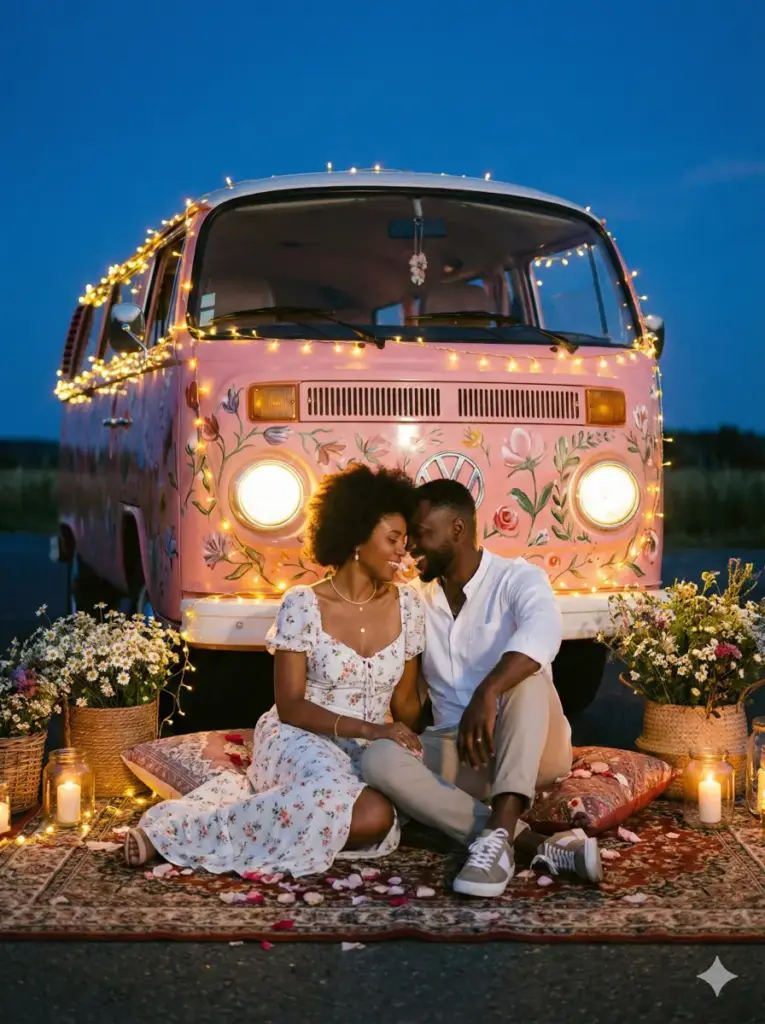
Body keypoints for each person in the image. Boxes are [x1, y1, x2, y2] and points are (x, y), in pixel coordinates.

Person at [123, 465, 425, 876]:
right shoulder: (303, 603)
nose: (400, 552)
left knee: (387, 806)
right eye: (392, 539)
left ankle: (253, 813)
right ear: (356, 536)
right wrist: (375, 730)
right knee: (372, 814)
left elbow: (406, 702)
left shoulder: (408, 605)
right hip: (302, 736)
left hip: (372, 747)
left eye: (404, 542)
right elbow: (291, 706)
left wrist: (441, 739)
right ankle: (177, 834)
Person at [362, 479, 603, 898]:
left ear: (457, 529)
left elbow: (543, 634)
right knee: (379, 758)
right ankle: (523, 842)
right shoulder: (414, 599)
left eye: (422, 534)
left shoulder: (518, 578)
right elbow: (405, 706)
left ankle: (502, 825)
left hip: (534, 748)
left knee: (526, 676)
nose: (411, 547)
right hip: (464, 753)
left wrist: (488, 692)